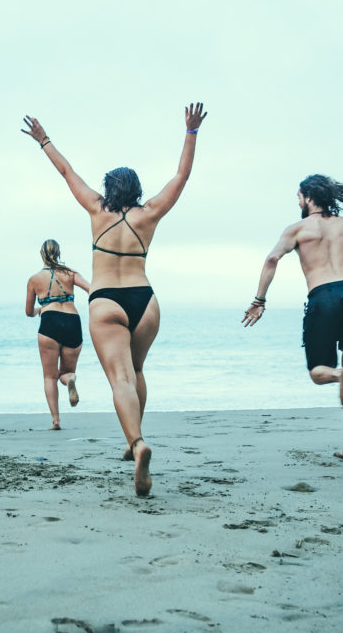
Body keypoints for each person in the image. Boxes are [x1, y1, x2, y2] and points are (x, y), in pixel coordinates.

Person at [21, 103, 207, 496]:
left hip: (106, 300)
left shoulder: (95, 209)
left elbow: (66, 172)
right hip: (146, 301)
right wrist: (190, 132)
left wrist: (44, 141)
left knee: (119, 378)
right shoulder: (151, 212)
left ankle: (137, 443)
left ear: (108, 190)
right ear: (137, 190)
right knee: (136, 370)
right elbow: (182, 175)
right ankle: (131, 440)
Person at [241, 175, 343, 461]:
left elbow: (272, 259)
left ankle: (338, 376)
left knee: (318, 371)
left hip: (323, 297)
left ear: (309, 197)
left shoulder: (297, 229)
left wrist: (259, 300)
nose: (298, 201)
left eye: (299, 196)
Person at [25, 239, 90, 430]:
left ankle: (56, 420)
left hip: (49, 321)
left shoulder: (35, 279)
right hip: (72, 321)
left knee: (49, 376)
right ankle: (70, 380)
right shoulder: (70, 273)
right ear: (59, 253)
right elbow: (91, 289)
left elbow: (28, 311)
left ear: (41, 254)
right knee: (67, 372)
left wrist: (39, 310)